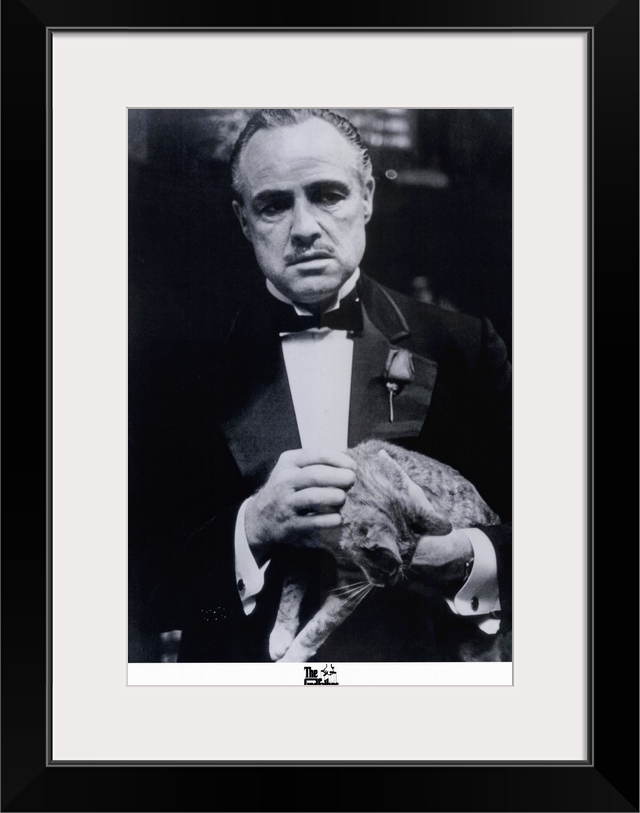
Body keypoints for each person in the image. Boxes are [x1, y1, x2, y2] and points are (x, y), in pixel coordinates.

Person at [133, 109, 512, 663]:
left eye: (328, 195)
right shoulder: (176, 367)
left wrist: (462, 557)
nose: (305, 227)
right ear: (243, 220)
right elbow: (136, 588)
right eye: (274, 204)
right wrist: (250, 531)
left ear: (367, 197)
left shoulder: (464, 347)